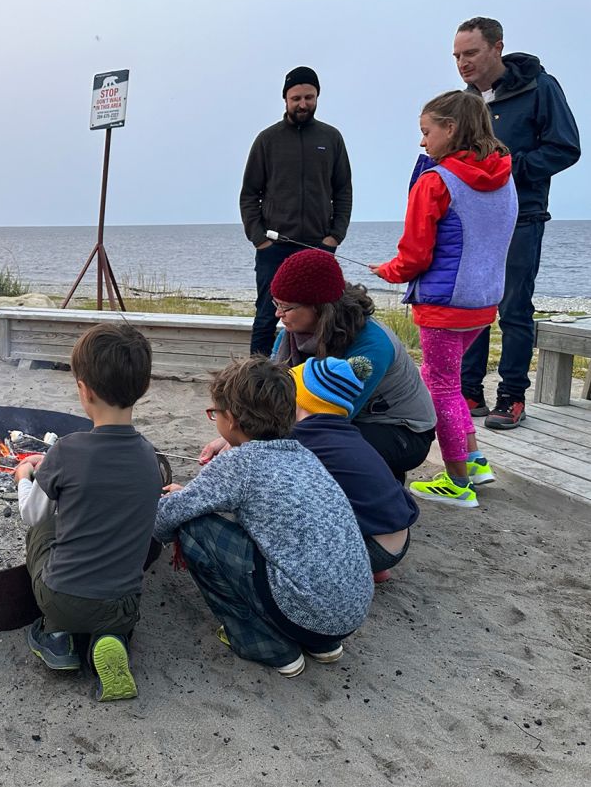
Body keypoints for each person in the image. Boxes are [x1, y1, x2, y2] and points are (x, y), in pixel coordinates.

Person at [154, 356, 373, 678]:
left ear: (231, 420)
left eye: (214, 413)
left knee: (193, 528)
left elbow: (164, 521)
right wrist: (191, 495)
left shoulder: (239, 463)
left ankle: (266, 644)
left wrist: (170, 501)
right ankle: (322, 645)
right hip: (348, 614)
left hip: (304, 613)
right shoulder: (303, 455)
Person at [372, 91, 517, 508]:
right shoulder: (505, 176)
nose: (422, 142)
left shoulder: (435, 181)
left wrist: (388, 270)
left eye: (426, 132)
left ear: (450, 129)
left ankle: (457, 482)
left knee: (442, 388)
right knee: (450, 383)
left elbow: (415, 256)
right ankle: (473, 461)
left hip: (443, 304)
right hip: (483, 302)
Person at [14, 322, 162, 702]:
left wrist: (25, 476)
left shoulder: (66, 450)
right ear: (142, 389)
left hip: (63, 599)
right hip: (123, 605)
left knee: (42, 532)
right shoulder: (150, 459)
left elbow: (33, 514)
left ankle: (57, 639)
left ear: (84, 389)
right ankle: (111, 640)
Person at [453, 16, 581, 428]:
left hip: (522, 216)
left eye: (470, 53)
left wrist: (508, 168)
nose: (463, 63)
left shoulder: (539, 87)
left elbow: (566, 148)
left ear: (497, 47)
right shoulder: (466, 100)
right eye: (456, 56)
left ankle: (511, 398)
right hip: (474, 220)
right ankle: (469, 391)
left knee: (513, 309)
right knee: (472, 304)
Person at [213, 248, 436, 483]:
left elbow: (325, 422)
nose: (278, 313)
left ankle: (379, 485)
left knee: (316, 450)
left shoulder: (372, 345)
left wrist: (248, 445)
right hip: (350, 421)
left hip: (400, 430)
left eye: (287, 307)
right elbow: (269, 397)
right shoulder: (292, 334)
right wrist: (233, 435)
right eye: (276, 303)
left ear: (320, 307)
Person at [240, 66, 353, 356]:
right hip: (273, 248)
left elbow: (343, 191)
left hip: (318, 247)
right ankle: (255, 381)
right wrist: (259, 240)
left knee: (322, 316)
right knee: (267, 316)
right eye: (296, 98)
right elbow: (250, 194)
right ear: (285, 99)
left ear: (317, 97)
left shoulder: (331, 138)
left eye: (309, 97)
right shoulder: (267, 140)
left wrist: (334, 237)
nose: (303, 104)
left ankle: (314, 376)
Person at [288, 355, 420, 583]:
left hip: (371, 547)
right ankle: (373, 569)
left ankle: (361, 567)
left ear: (302, 398)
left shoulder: (304, 436)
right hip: (399, 538)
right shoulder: (346, 433)